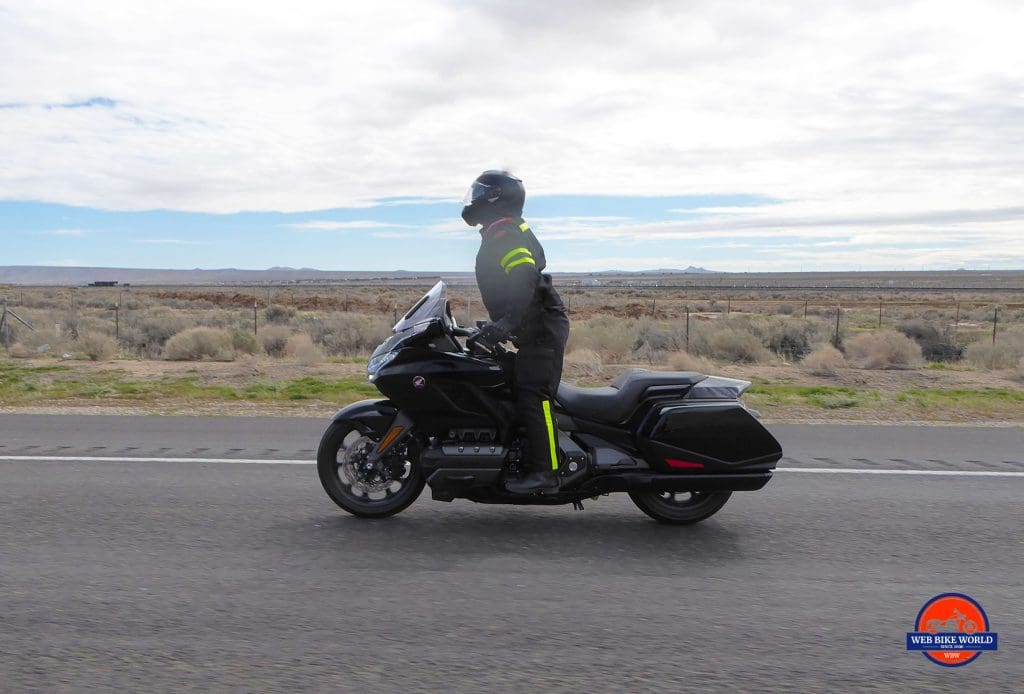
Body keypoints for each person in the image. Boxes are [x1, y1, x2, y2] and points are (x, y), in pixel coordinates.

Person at [462, 170, 570, 494]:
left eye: (480, 192)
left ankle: (547, 474)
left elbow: (523, 274)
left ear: (495, 197)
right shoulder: (502, 230)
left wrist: (507, 323)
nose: (474, 198)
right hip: (536, 326)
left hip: (542, 328)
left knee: (534, 394)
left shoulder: (504, 232)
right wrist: (493, 325)